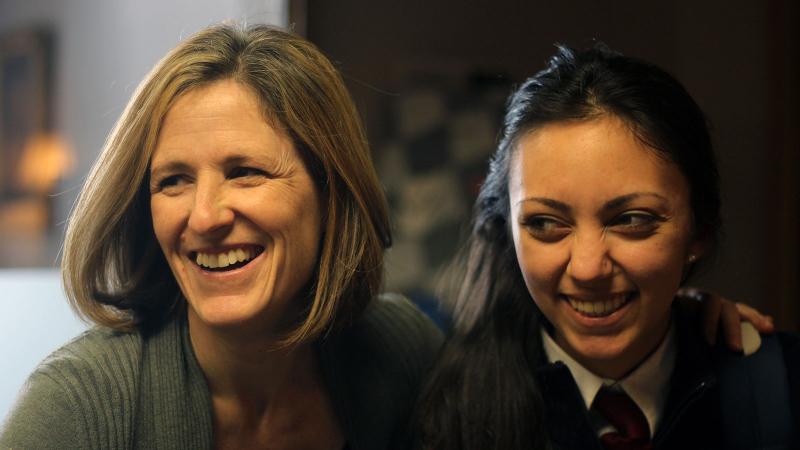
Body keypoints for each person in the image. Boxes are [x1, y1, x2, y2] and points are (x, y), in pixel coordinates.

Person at [0, 24, 443, 449]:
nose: (205, 217)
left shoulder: (406, 350)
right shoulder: (76, 406)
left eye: (245, 172)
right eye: (174, 180)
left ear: (331, 192)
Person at [417, 44, 798, 449]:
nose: (587, 269)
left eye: (632, 220)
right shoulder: (430, 403)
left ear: (699, 231)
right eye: (545, 223)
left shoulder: (779, 389)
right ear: (507, 229)